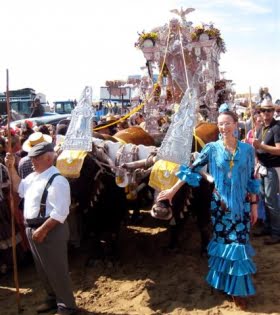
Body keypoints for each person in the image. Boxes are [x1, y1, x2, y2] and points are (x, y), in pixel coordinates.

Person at [157, 104, 259, 308]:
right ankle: (224, 283)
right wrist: (172, 191)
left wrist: (254, 205)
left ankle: (237, 291)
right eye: (220, 124)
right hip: (220, 206)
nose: (223, 127)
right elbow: (191, 170)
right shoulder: (211, 149)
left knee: (238, 246)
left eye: (227, 123)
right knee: (223, 245)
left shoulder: (247, 150)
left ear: (236, 125)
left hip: (241, 207)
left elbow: (250, 179)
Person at [5, 142, 77, 315]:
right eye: (31, 158)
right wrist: (11, 168)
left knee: (57, 270)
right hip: (34, 229)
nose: (32, 162)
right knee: (43, 270)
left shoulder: (58, 180)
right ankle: (53, 298)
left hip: (50, 230)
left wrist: (43, 230)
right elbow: (18, 188)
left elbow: (61, 212)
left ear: (48, 158)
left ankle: (67, 306)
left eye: (36, 158)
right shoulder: (33, 177)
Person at [252, 99, 280, 245]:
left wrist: (261, 146)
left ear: (273, 112)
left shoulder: (277, 128)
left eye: (269, 110)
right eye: (263, 110)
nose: (266, 113)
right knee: (265, 199)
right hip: (262, 167)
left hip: (272, 169)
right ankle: (268, 228)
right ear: (260, 112)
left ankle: (276, 233)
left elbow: (279, 150)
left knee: (271, 201)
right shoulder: (261, 128)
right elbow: (258, 148)